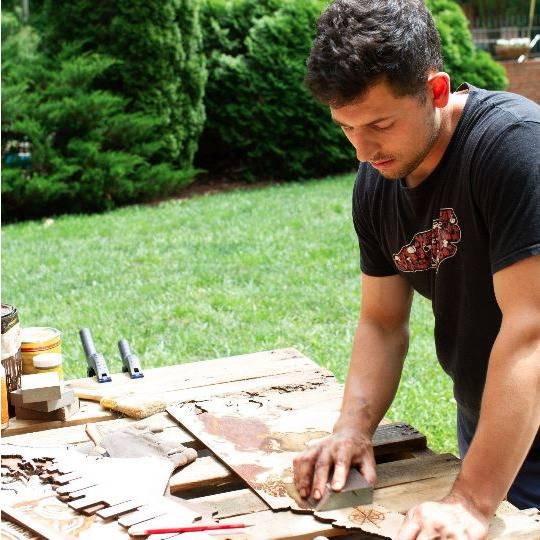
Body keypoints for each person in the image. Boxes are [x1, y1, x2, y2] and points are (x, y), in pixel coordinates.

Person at [292, 0, 540, 537]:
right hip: (494, 417)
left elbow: (532, 334)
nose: (363, 151)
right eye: (346, 128)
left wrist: (472, 501)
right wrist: (353, 429)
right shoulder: (377, 184)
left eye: (379, 124)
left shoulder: (514, 147)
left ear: (435, 90)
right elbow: (382, 322)